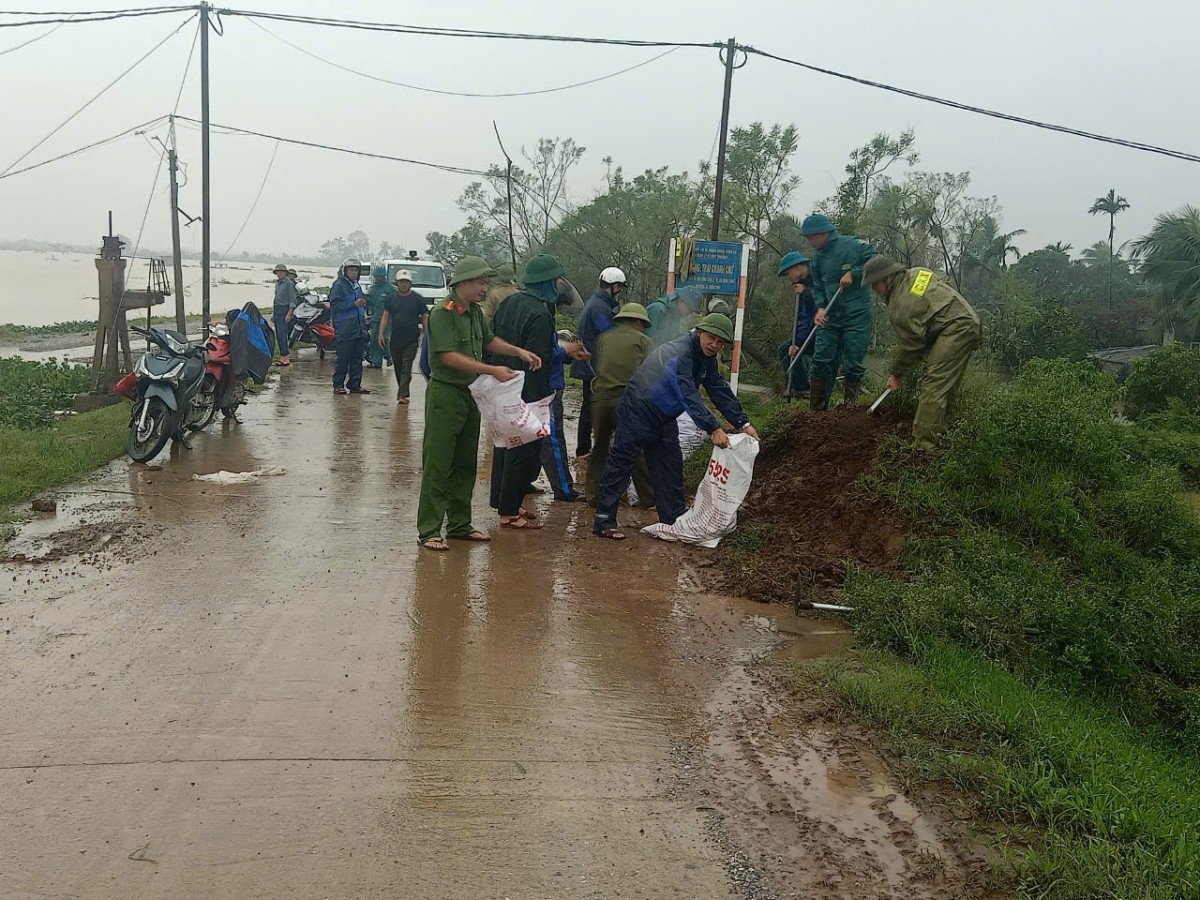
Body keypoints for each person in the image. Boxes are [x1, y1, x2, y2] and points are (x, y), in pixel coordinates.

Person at [592, 314, 760, 540]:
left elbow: (718, 387)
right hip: (639, 410)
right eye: (711, 338)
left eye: (720, 342)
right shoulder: (679, 352)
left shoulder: (706, 358)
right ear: (700, 332)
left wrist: (743, 422)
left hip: (664, 417)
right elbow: (686, 392)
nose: (715, 345)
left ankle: (673, 522)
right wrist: (713, 427)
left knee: (670, 467)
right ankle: (604, 520)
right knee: (621, 463)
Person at [417, 256, 541, 551]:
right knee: (438, 464)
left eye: (486, 283)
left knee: (465, 463)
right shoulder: (442, 313)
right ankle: (430, 529)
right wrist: (492, 370)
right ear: (463, 282)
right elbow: (447, 356)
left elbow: (488, 341)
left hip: (469, 393)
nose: (485, 289)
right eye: (481, 283)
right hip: (445, 394)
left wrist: (518, 351)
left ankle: (460, 524)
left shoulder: (474, 312)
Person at [488, 254, 587, 527]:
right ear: (546, 283)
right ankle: (509, 513)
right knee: (524, 452)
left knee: (505, 447)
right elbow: (538, 362)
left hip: (503, 385)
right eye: (555, 281)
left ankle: (505, 502)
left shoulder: (510, 303)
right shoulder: (540, 314)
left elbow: (492, 340)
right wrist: (539, 402)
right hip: (527, 392)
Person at [864, 256, 982, 451]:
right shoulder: (917, 272)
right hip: (967, 321)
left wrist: (897, 374)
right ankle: (947, 432)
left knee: (932, 384)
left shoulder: (899, 305)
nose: (874, 290)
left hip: (955, 329)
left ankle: (924, 448)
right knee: (945, 385)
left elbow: (912, 344)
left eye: (875, 284)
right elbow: (944, 283)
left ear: (887, 278)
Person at [802, 213, 877, 409]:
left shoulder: (853, 246)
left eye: (811, 237)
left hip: (856, 314)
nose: (809, 242)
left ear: (824, 233)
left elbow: (876, 262)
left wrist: (854, 272)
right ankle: (817, 412)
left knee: (853, 363)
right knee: (821, 360)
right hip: (830, 316)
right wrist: (819, 308)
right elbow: (817, 285)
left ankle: (850, 411)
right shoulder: (817, 259)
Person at [586, 302, 656, 509]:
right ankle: (649, 499)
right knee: (633, 448)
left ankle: (594, 496)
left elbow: (598, 365)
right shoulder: (644, 340)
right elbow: (651, 373)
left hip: (599, 399)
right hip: (626, 400)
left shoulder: (603, 338)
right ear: (637, 321)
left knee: (599, 447)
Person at [571, 266, 626, 459]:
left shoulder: (596, 303)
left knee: (588, 404)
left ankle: (585, 448)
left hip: (588, 360)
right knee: (590, 406)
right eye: (619, 287)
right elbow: (609, 335)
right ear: (614, 286)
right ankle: (585, 450)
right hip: (590, 362)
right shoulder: (600, 308)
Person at [378, 269, 427, 404]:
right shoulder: (391, 298)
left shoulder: (418, 299)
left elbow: (424, 317)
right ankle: (403, 390)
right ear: (397, 283)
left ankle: (402, 395)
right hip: (395, 340)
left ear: (410, 283)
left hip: (411, 340)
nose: (403, 284)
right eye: (401, 282)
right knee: (398, 368)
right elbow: (386, 316)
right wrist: (381, 333)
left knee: (406, 367)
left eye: (406, 282)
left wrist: (428, 335)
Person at [328, 257, 371, 395]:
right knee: (343, 359)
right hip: (345, 328)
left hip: (358, 328)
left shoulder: (357, 286)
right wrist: (353, 304)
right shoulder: (338, 286)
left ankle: (354, 384)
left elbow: (361, 304)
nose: (354, 273)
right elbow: (335, 305)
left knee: (357, 359)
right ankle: (338, 385)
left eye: (356, 270)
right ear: (345, 271)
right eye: (351, 270)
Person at [777, 251, 816, 400]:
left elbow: (824, 301)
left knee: (820, 362)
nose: (789, 278)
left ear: (797, 268)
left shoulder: (817, 279)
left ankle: (812, 392)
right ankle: (800, 387)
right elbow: (803, 318)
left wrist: (806, 292)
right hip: (808, 332)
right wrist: (797, 342)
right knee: (786, 349)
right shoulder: (801, 285)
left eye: (788, 273)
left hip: (824, 331)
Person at [365, 265, 395, 369]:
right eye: (376, 276)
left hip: (387, 319)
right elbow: (368, 301)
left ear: (384, 277)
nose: (377, 278)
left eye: (379, 276)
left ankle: (388, 356)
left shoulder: (390, 289)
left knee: (383, 339)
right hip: (376, 318)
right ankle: (376, 362)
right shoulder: (372, 288)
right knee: (374, 339)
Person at [270, 263, 296, 367]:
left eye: (281, 272)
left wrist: (289, 313)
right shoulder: (278, 283)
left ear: (285, 273)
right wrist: (273, 313)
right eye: (278, 272)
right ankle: (283, 356)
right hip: (277, 309)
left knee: (282, 334)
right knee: (278, 334)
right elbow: (276, 299)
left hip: (284, 309)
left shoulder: (289, 283)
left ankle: (285, 357)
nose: (279, 274)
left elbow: (292, 300)